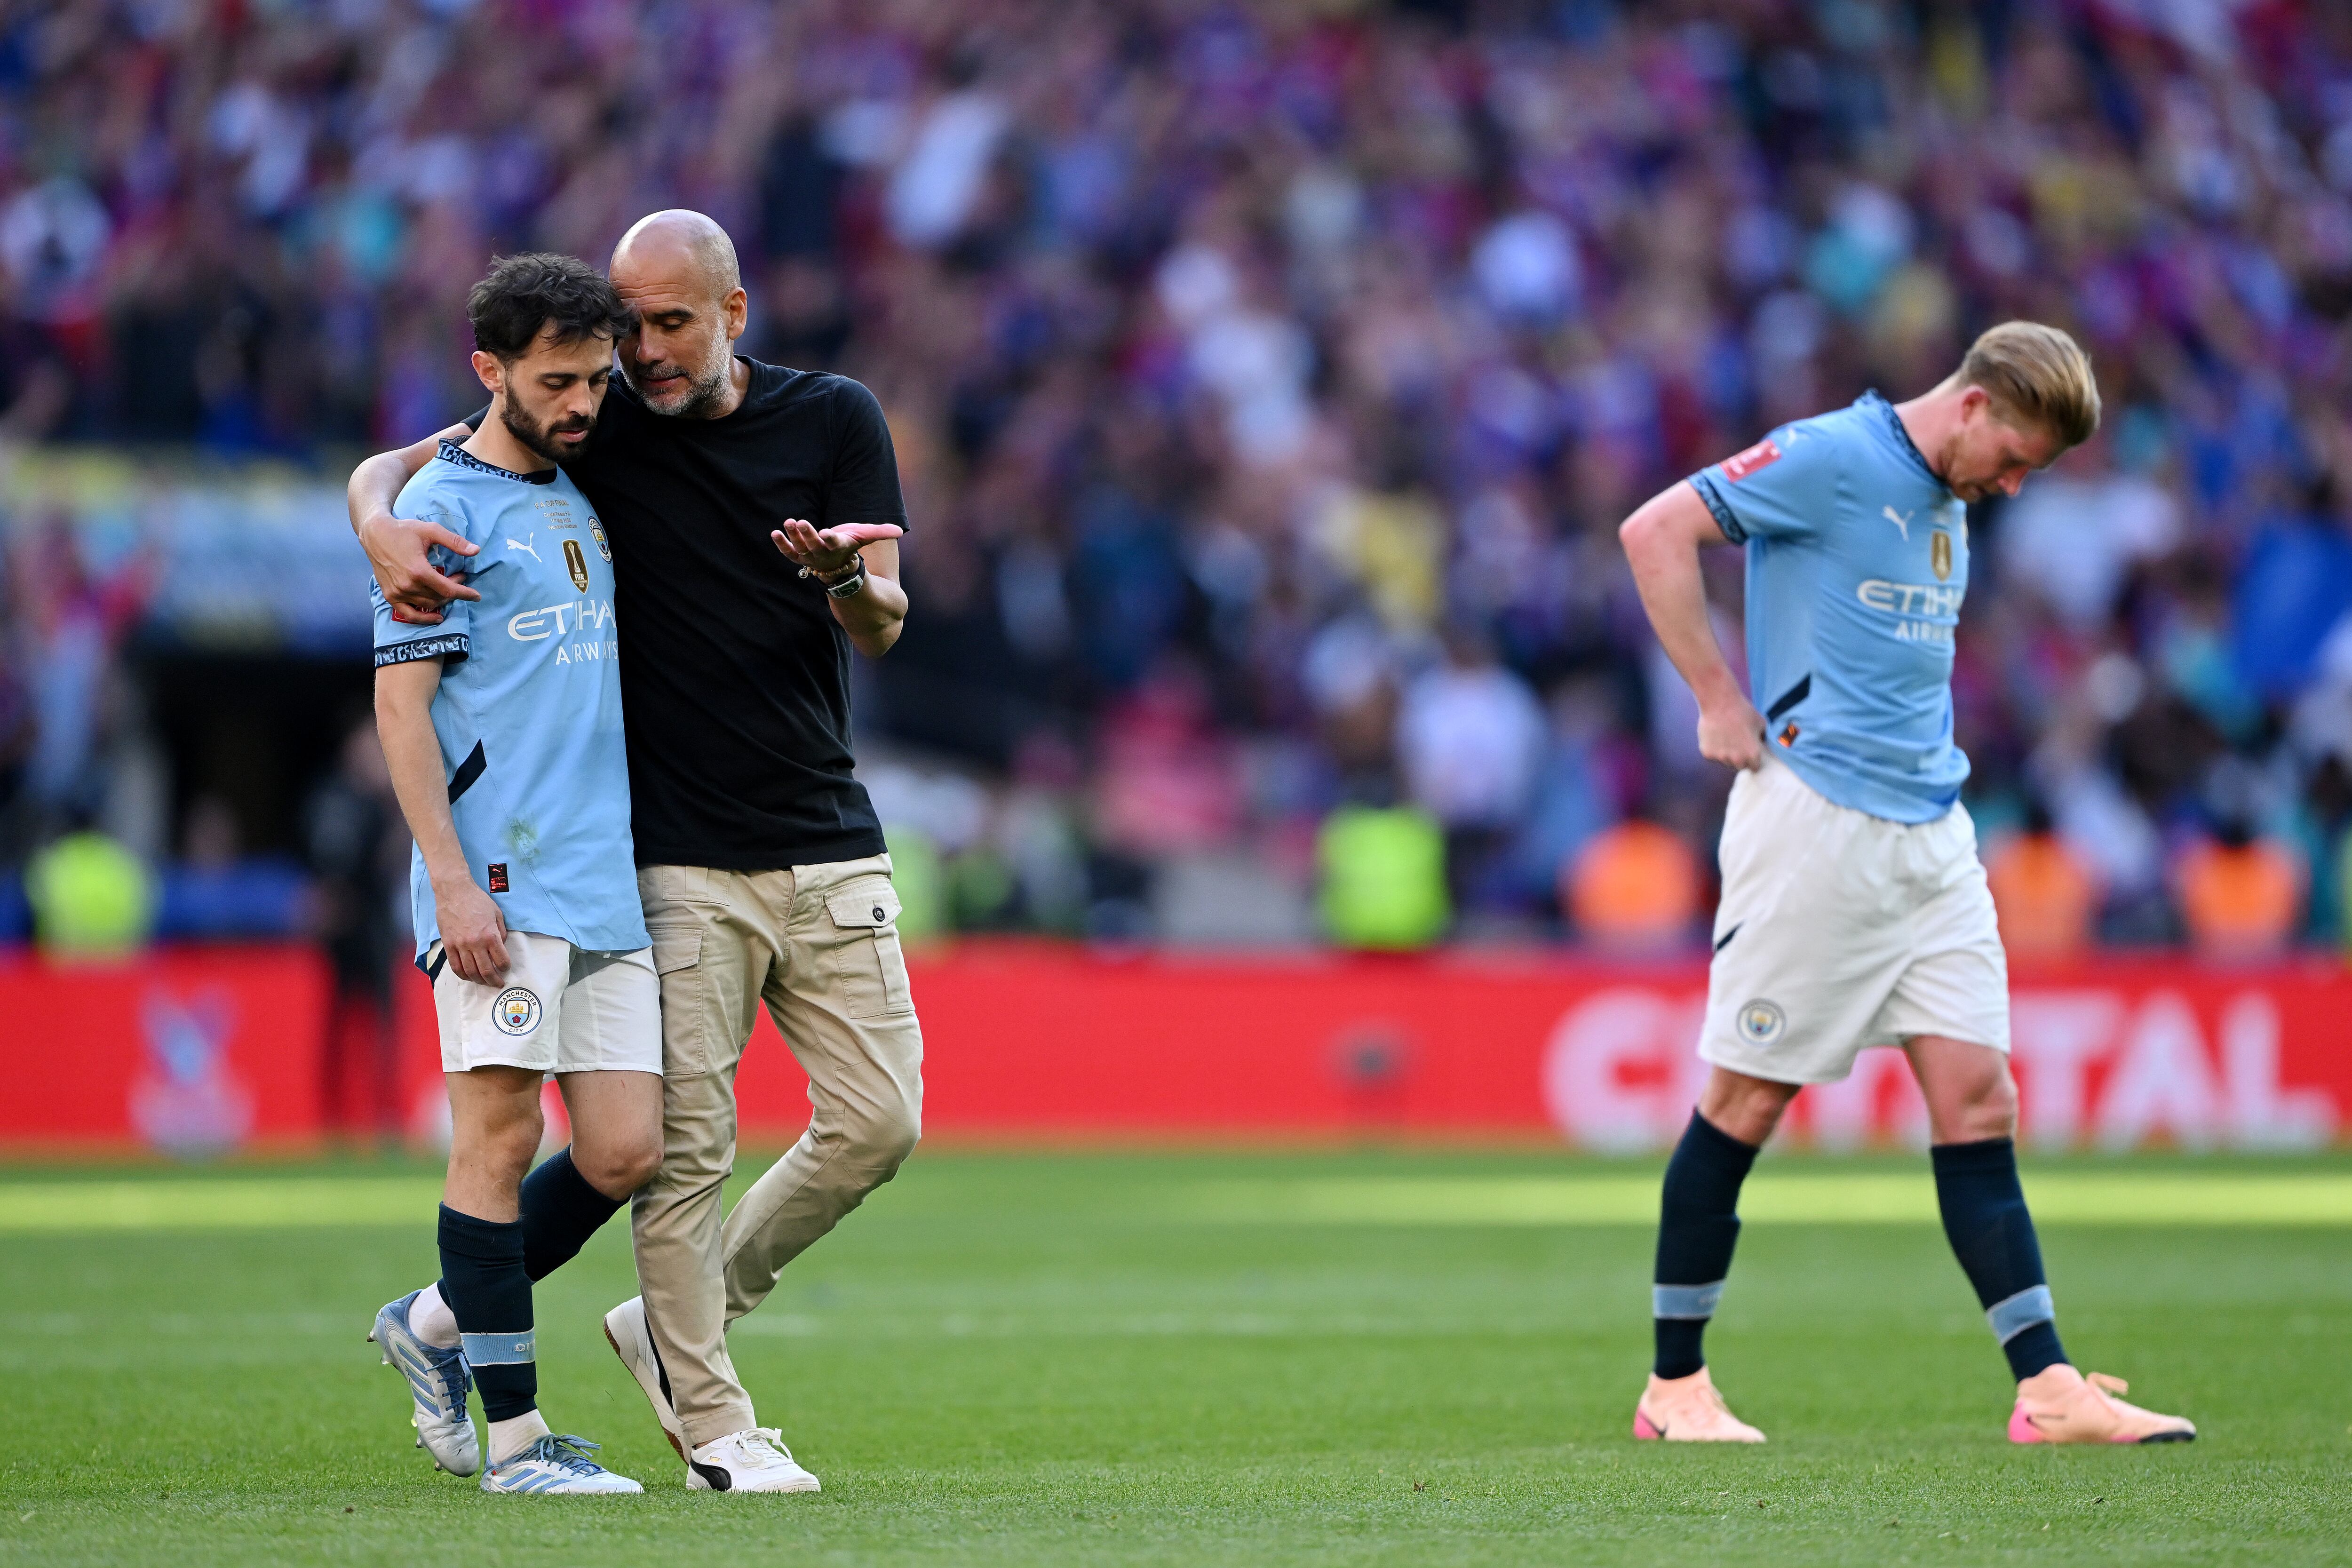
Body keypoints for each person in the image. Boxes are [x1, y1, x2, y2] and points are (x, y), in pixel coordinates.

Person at [349, 211, 921, 1494]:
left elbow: (885, 619)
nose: (640, 357)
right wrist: (370, 515)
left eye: (667, 326)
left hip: (794, 840)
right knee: (639, 1149)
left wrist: (844, 582)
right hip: (649, 860)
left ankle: (468, 1317)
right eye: (627, 331)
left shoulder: (825, 419)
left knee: (845, 1127)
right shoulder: (586, 432)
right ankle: (661, 1424)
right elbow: (422, 465)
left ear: (733, 313)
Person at [1616, 322, 2195, 1445]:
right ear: (1973, 406)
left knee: (1980, 1100)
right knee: (1745, 1103)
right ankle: (1674, 1386)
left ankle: (2047, 1388)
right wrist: (1716, 696)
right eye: (2014, 458)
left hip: (1932, 833)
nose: (2014, 486)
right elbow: (1654, 529)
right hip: (1814, 824)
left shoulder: (1948, 497)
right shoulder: (1831, 456)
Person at [365, 253, 658, 1496]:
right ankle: (520, 1443)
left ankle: (433, 1319)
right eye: (556, 381)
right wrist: (452, 882)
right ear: (490, 370)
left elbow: (375, 468)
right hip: (498, 875)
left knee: (625, 1148)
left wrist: (363, 490)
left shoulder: (579, 478)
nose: (583, 402)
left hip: (601, 875)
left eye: (596, 379)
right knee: (497, 1136)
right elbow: (402, 709)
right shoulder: (443, 508)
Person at [303, 718, 406, 1143]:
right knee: (336, 1023)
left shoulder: (387, 802)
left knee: (384, 1022)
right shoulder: (331, 800)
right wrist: (326, 898)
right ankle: (331, 1117)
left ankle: (386, 1113)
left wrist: (394, 802)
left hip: (376, 923)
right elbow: (318, 858)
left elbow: (393, 862)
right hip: (343, 926)